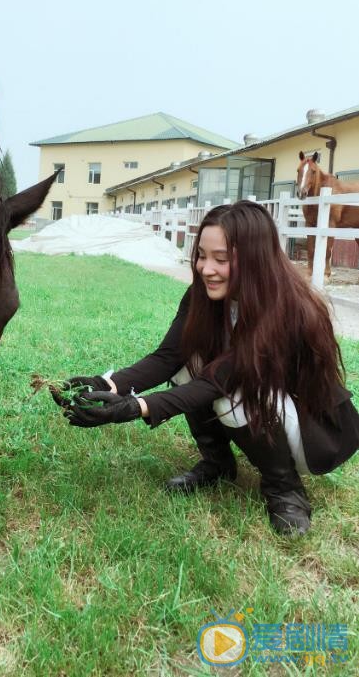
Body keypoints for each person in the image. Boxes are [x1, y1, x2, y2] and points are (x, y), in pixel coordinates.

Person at [52, 201, 359, 535]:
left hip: (311, 430)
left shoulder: (287, 308)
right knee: (189, 366)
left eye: (221, 259)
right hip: (257, 400)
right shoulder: (204, 294)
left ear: (255, 259)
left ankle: (284, 487)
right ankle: (218, 464)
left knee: (236, 392)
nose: (205, 268)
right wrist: (107, 384)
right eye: (201, 255)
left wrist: (136, 407)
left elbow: (222, 380)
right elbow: (168, 357)